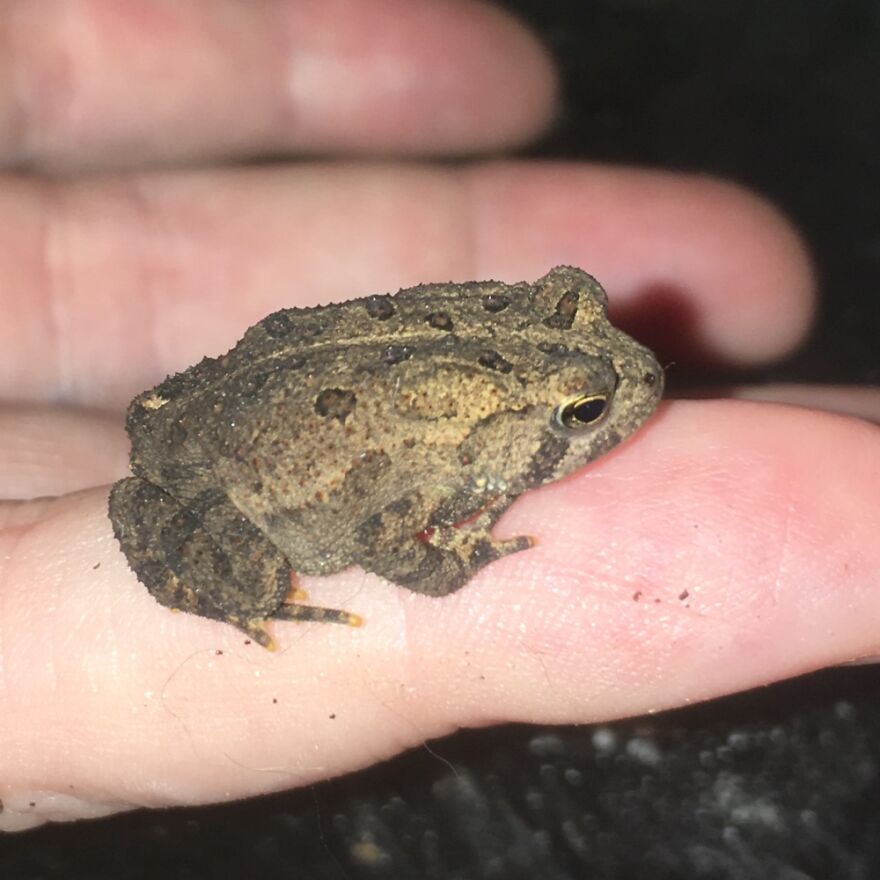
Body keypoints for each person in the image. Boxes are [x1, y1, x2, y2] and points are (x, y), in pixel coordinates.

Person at [0, 0, 875, 832]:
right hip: (236, 486)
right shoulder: (453, 466)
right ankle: (245, 600)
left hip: (211, 401)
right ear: (511, 438)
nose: (633, 376)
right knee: (260, 581)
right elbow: (388, 541)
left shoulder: (479, 419)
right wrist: (453, 560)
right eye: (585, 412)